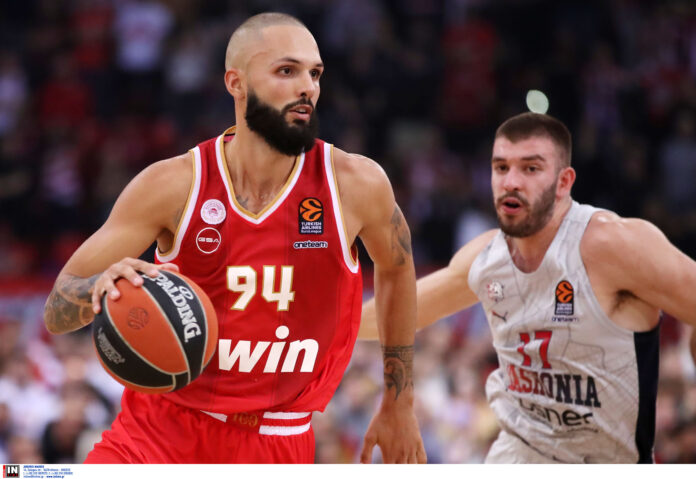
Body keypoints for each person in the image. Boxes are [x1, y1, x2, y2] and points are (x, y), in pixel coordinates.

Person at [43, 12, 426, 464]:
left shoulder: (355, 184)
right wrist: (99, 287)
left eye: (315, 73)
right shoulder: (174, 184)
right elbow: (57, 310)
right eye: (287, 70)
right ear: (236, 82)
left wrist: (399, 403)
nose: (308, 86)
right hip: (155, 434)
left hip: (276, 441)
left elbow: (397, 268)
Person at [360, 112, 696, 463]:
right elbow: (398, 314)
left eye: (530, 168)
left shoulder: (615, 244)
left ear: (564, 182)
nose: (511, 182)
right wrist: (325, 320)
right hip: (515, 455)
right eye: (501, 167)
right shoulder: (486, 257)